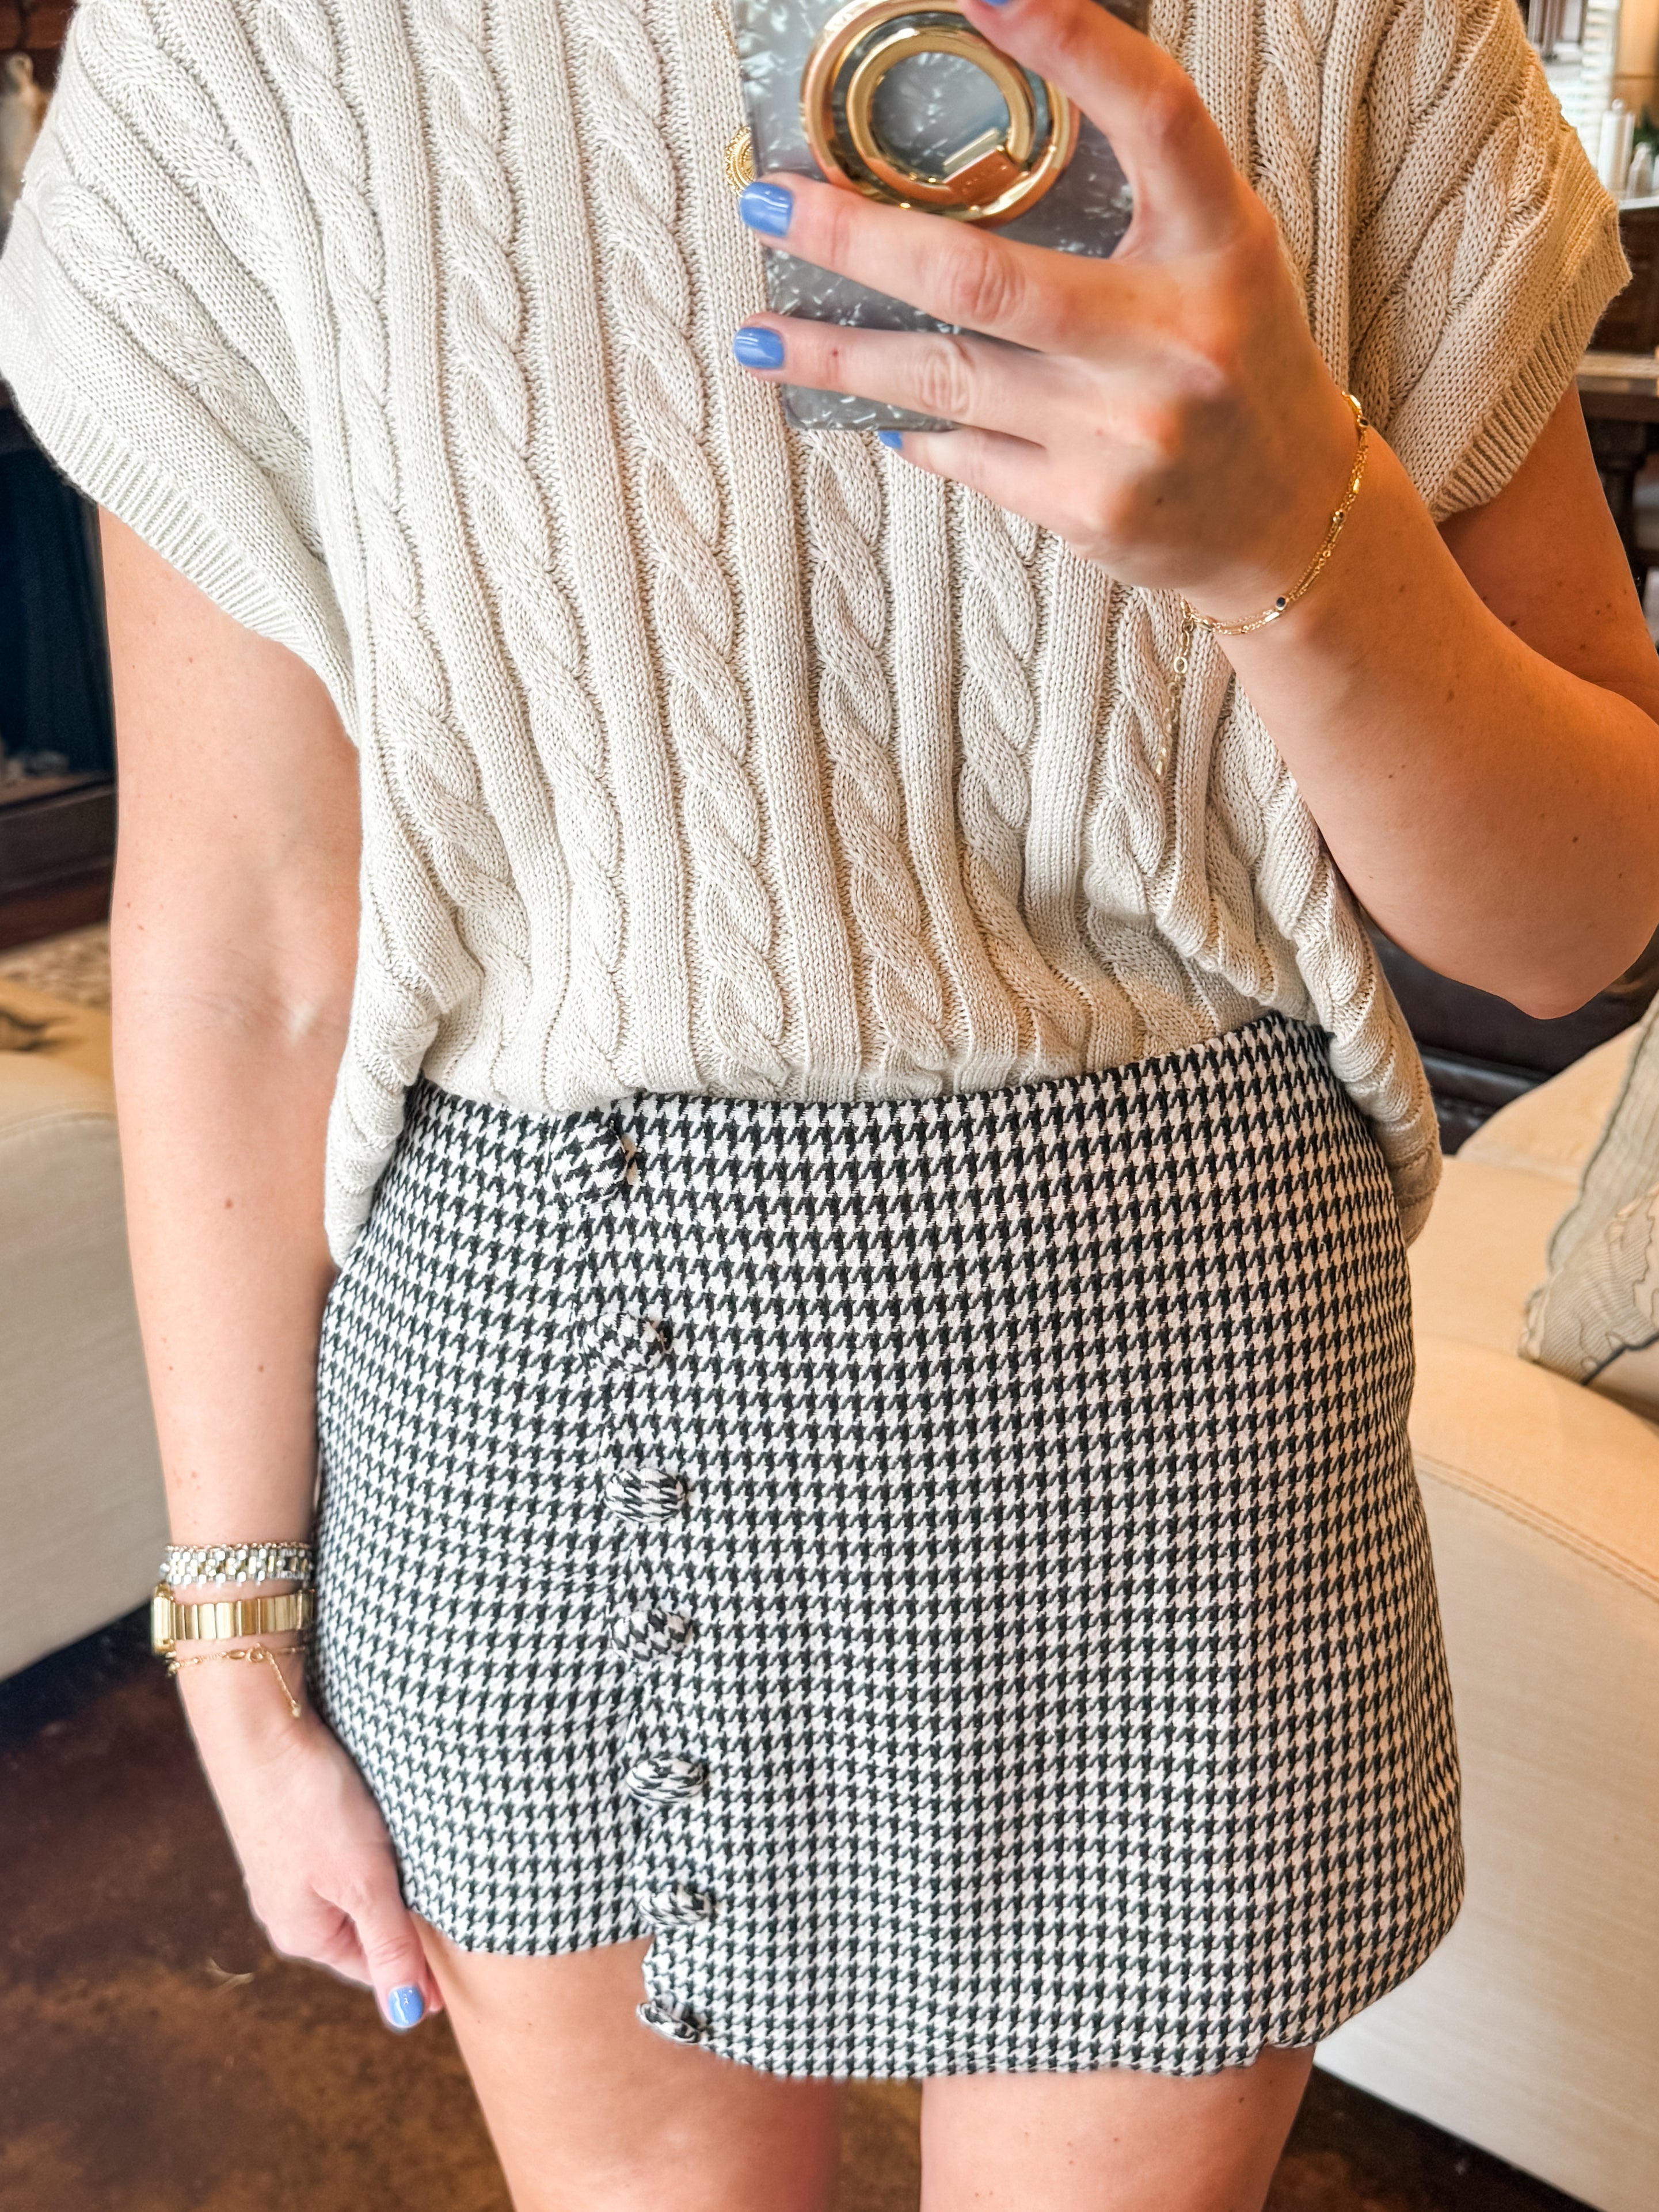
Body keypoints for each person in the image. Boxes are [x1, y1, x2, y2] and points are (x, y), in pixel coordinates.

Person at [3, 0, 1657, 2205]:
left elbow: (1574, 919)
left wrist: (1299, 540)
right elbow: (249, 936)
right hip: (540, 1399)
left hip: (1179, 1410)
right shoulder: (241, 45)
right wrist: (228, 1626)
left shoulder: (1365, 28)